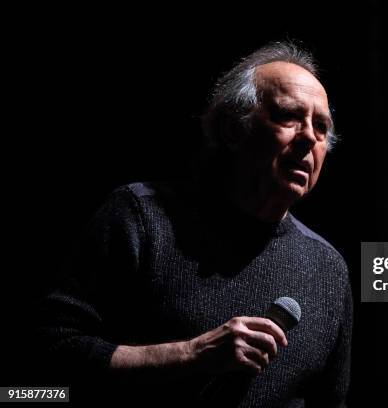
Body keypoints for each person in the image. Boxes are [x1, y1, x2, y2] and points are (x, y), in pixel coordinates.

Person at [38, 41, 352, 407]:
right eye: (288, 116)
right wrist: (192, 354)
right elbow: (51, 352)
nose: (309, 139)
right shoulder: (140, 217)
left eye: (321, 127)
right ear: (232, 130)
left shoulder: (329, 269)